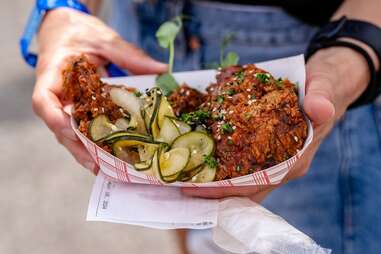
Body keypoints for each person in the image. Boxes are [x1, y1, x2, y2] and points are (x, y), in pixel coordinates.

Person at [24, 0, 381, 253]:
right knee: (188, 228)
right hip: (136, 25)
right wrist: (61, 8)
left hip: (304, 39)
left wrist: (359, 47)